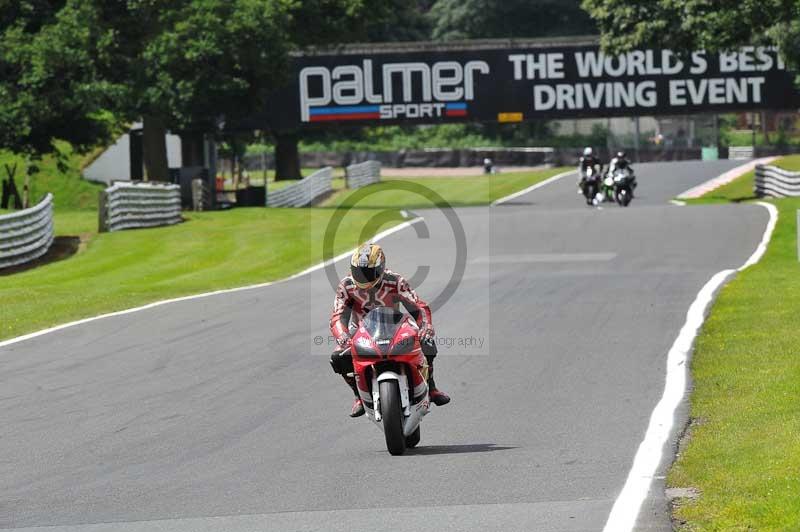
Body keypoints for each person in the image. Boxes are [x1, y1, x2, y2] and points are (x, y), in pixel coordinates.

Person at [329, 243, 451, 417]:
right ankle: (358, 396)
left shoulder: (395, 281)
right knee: (338, 357)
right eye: (358, 272)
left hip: (394, 326)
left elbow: (418, 306)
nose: (363, 278)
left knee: (426, 342)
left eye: (368, 273)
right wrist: (343, 336)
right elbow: (338, 316)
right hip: (361, 332)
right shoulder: (346, 286)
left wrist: (426, 326)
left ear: (381, 268)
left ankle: (431, 387)